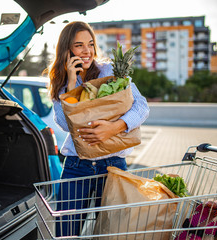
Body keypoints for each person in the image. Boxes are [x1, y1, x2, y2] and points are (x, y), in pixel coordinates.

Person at [46, 21, 149, 237]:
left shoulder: (109, 70)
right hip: (77, 165)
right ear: (67, 50)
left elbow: (141, 106)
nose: (87, 51)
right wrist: (72, 83)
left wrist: (114, 128)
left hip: (113, 164)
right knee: (66, 232)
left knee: (112, 232)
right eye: (79, 45)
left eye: (90, 44)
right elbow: (66, 124)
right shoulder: (61, 81)